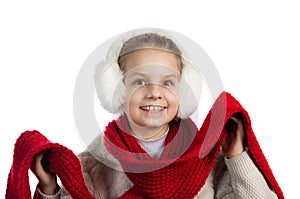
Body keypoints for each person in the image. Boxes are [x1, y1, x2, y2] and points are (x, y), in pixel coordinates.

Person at [31, 29, 279, 198]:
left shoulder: (205, 157)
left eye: (168, 83)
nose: (154, 93)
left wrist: (236, 155)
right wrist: (49, 188)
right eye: (139, 82)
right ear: (117, 89)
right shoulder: (93, 165)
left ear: (183, 90)